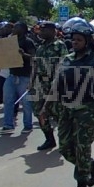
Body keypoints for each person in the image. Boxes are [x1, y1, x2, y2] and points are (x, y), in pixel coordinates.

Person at [41, 18, 94, 187]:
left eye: (79, 40)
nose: (75, 43)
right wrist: (45, 107)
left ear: (88, 41)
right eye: (73, 40)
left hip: (89, 111)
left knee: (82, 147)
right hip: (67, 109)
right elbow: (56, 85)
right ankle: (91, 166)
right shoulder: (66, 60)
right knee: (66, 148)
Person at [29, 21, 68, 151]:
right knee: (38, 112)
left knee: (58, 114)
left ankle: (65, 140)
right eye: (40, 30)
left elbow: (63, 66)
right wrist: (31, 82)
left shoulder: (59, 46)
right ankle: (49, 139)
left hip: (55, 85)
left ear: (53, 31)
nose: (41, 32)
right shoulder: (40, 47)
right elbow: (35, 65)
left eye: (44, 30)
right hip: (40, 85)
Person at [0, 22, 36, 134]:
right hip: (11, 75)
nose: (13, 28)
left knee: (26, 102)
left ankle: (28, 125)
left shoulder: (28, 42)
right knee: (8, 100)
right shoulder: (11, 42)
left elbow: (34, 58)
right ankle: (8, 125)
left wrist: (24, 54)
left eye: (16, 27)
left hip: (24, 76)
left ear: (22, 29)